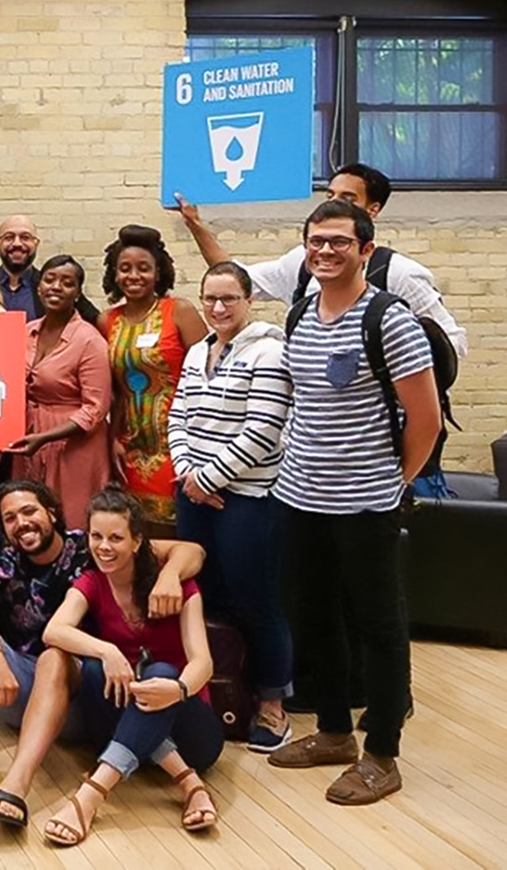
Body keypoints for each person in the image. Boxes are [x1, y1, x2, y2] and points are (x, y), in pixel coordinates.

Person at [265, 200, 440, 806]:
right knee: (313, 618)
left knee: (380, 628)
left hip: (366, 505)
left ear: (366, 249)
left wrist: (395, 482)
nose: (326, 251)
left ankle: (382, 753)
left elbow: (426, 417)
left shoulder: (389, 319)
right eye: (316, 241)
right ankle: (335, 732)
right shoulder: (298, 316)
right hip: (299, 497)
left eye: (340, 242)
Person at [0, 481, 203, 823]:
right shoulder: (4, 563)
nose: (21, 522)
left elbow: (190, 550)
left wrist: (171, 574)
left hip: (86, 691)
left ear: (51, 512)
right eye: (9, 517)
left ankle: (16, 784)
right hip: (21, 683)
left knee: (54, 655)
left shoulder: (91, 546)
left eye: (29, 511)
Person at [40, 489, 221, 847]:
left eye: (116, 537)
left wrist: (180, 689)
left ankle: (91, 794)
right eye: (96, 536)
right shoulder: (92, 582)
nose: (103, 547)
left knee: (162, 675)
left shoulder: (179, 584)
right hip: (125, 721)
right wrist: (107, 650)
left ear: (138, 541)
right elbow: (54, 631)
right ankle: (189, 783)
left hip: (190, 724)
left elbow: (203, 662)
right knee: (94, 669)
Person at [168, 260, 294, 751]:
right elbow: (178, 417)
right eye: (210, 299)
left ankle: (271, 703)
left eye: (229, 299)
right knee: (206, 596)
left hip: (247, 498)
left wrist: (208, 478)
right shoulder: (198, 352)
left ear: (249, 301)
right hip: (194, 493)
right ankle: (219, 689)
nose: (218, 308)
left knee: (257, 601)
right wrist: (188, 476)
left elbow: (263, 431)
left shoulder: (269, 351)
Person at [174, 163, 466, 356]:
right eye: (330, 194)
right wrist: (195, 225)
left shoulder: (398, 274)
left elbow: (452, 343)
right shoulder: (300, 265)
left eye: (348, 198)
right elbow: (235, 278)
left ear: (373, 209)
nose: (334, 202)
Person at [97, 225, 207, 532]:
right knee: (137, 534)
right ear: (114, 275)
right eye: (125, 269)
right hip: (130, 448)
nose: (134, 276)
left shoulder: (179, 311)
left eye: (143, 269)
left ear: (158, 273)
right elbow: (113, 390)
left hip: (180, 443)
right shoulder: (107, 321)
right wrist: (113, 440)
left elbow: (209, 375)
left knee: (183, 531)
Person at [6, 255, 112, 529]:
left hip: (73, 446)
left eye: (67, 283)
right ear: (39, 287)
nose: (56, 287)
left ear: (78, 293)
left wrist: (45, 437)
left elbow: (95, 409)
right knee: (31, 521)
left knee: (71, 520)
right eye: (50, 279)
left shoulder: (89, 340)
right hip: (29, 440)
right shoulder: (25, 332)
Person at [0, 215, 101, 322]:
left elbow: (95, 320)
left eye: (25, 237)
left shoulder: (50, 285)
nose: (17, 243)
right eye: (9, 238)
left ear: (36, 243)